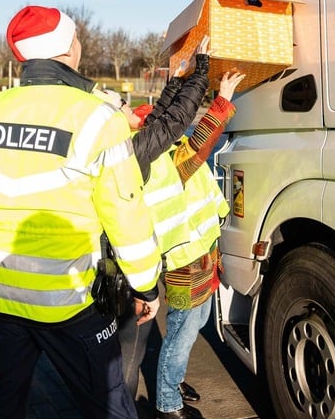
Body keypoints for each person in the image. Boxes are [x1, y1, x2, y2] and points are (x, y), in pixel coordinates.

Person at [0, 6, 162, 419]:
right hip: (73, 303)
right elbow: (126, 213)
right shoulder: (98, 119)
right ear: (69, 48)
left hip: (0, 299)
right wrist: (146, 284)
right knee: (108, 406)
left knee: (2, 402)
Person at [96, 38, 211, 404]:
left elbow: (162, 114)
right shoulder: (131, 151)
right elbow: (175, 121)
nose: (131, 107)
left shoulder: (110, 147)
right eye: (123, 105)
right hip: (124, 271)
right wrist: (203, 70)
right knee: (128, 354)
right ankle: (119, 411)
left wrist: (178, 79)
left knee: (115, 351)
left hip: (102, 266)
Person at [153, 70, 244, 419]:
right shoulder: (165, 162)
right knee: (181, 333)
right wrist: (223, 99)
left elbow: (173, 116)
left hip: (200, 256)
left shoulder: (167, 151)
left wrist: (177, 81)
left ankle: (171, 381)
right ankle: (167, 402)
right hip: (185, 263)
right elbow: (202, 140)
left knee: (193, 325)